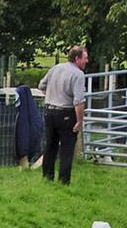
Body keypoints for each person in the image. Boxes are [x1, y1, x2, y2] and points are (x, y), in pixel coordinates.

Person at [37, 44, 89, 185]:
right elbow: (79, 101)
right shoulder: (78, 74)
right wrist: (79, 121)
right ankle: (63, 181)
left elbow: (41, 86)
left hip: (49, 112)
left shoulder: (56, 68)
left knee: (50, 146)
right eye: (85, 58)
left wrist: (52, 96)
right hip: (66, 114)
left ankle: (47, 178)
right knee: (67, 149)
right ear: (77, 58)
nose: (87, 61)